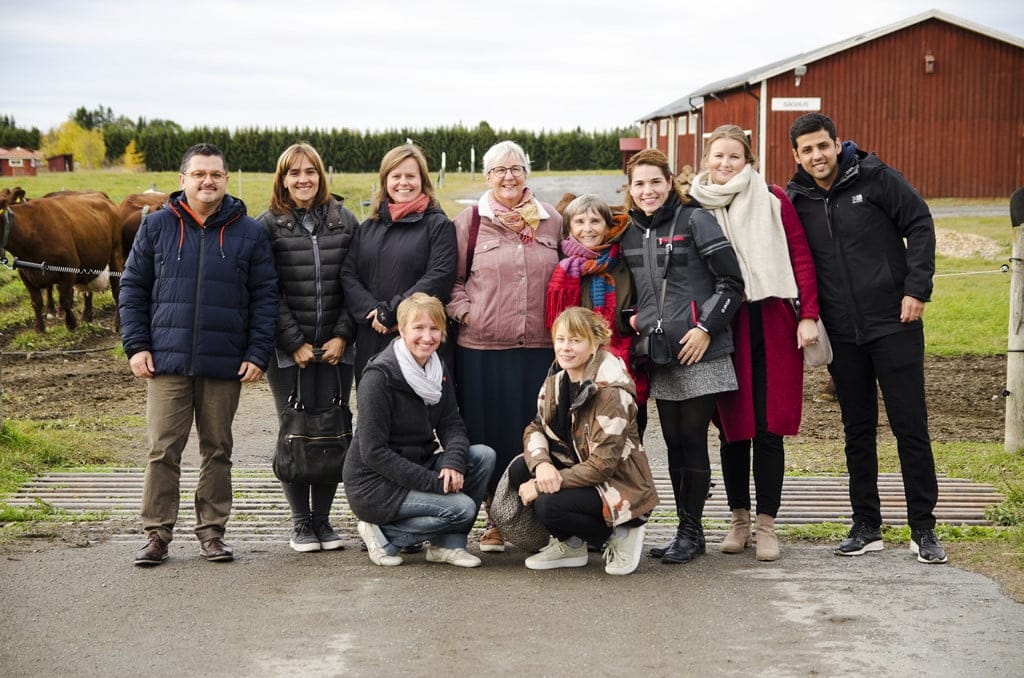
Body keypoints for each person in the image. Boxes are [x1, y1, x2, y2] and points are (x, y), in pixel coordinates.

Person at [786, 113, 947, 564]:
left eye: (823, 146)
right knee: (857, 430)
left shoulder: (876, 178)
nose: (817, 156)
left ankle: (923, 528)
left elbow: (919, 224)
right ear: (795, 156)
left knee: (909, 426)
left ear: (837, 144)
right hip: (841, 333)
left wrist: (917, 290)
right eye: (807, 150)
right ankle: (867, 525)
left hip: (894, 323)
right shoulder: (795, 198)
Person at [121, 143, 278, 566]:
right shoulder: (155, 227)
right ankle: (156, 535)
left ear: (227, 179)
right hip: (167, 361)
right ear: (183, 180)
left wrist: (257, 353)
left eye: (215, 174)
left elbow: (266, 298)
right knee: (162, 449)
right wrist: (136, 345)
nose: (207, 181)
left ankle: (212, 533)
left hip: (224, 361)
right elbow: (133, 288)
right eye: (199, 174)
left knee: (217, 449)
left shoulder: (250, 232)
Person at [688, 125, 820, 561]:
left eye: (734, 157)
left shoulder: (772, 199)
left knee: (767, 427)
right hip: (724, 322)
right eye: (718, 156)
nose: (725, 164)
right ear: (706, 159)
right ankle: (738, 519)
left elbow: (800, 255)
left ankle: (767, 524)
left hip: (771, 318)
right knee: (732, 428)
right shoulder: (694, 205)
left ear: (749, 162)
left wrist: (807, 316)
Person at [621, 149, 744, 564]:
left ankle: (691, 531)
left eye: (655, 181)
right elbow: (625, 293)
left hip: (700, 350)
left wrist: (706, 328)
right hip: (658, 354)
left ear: (670, 181)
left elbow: (732, 282)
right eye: (639, 183)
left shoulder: (695, 221)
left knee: (692, 440)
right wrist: (632, 320)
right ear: (630, 189)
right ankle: (685, 530)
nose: (647, 190)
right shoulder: (630, 231)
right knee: (672, 442)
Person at [445, 139, 562, 553]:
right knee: (488, 437)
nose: (508, 177)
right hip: (481, 349)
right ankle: (496, 520)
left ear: (526, 173)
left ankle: (534, 520)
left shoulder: (552, 221)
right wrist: (467, 313)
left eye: (515, 169)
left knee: (534, 436)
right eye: (499, 171)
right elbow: (452, 281)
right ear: (488, 177)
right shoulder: (470, 222)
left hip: (539, 348)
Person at [343, 293, 496, 568]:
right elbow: (373, 452)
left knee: (483, 456)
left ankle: (446, 546)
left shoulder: (437, 369)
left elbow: (451, 424)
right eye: (419, 328)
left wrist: (452, 461)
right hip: (375, 484)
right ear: (401, 330)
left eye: (435, 328)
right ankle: (381, 533)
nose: (427, 337)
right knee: (462, 507)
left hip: (417, 464)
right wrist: (435, 484)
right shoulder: (379, 378)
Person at [258, 143, 359, 553]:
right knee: (295, 431)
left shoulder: (345, 221)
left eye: (310, 171)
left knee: (333, 428)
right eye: (294, 172)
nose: (303, 179)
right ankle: (301, 522)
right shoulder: (267, 226)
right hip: (287, 353)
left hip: (338, 347)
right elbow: (268, 289)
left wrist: (342, 335)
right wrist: (293, 341)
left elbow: (355, 283)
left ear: (321, 175)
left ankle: (324, 521)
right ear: (282, 179)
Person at [509, 307, 658, 575]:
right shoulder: (556, 382)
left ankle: (623, 534)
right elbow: (535, 427)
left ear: (594, 345)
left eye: (576, 340)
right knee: (522, 468)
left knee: (548, 504)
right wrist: (542, 465)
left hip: (621, 488)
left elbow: (602, 466)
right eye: (561, 339)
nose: (566, 348)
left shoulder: (611, 393)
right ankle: (572, 544)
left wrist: (546, 485)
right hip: (583, 475)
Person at [341, 144, 456, 384]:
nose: (403, 182)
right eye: (396, 176)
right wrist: (374, 312)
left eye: (410, 176)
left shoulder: (438, 225)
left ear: (422, 180)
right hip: (372, 335)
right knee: (374, 409)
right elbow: (348, 274)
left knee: (416, 413)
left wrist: (393, 312)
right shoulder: (367, 228)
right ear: (385, 181)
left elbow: (439, 276)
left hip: (419, 339)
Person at [545, 194, 649, 433]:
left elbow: (638, 300)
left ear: (606, 226)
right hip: (578, 361)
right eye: (580, 222)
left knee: (629, 428)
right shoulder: (563, 267)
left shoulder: (622, 261)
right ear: (569, 227)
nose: (588, 229)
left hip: (622, 356)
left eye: (595, 221)